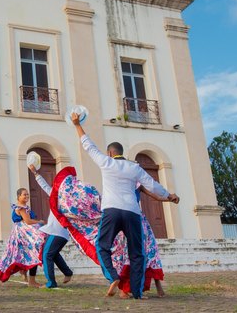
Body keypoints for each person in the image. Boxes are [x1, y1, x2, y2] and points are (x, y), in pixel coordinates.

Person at [71, 112, 179, 299]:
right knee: (137, 253)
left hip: (111, 211)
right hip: (132, 212)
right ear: (121, 152)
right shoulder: (134, 167)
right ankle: (137, 293)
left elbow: (87, 145)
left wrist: (76, 125)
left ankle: (113, 276)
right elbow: (152, 184)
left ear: (110, 153)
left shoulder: (106, 162)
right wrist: (169, 195)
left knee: (102, 246)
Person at [28, 164, 74, 288]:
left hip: (57, 232)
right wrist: (36, 174)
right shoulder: (56, 197)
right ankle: (68, 272)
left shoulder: (69, 202)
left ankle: (51, 283)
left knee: (46, 255)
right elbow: (45, 187)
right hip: (59, 233)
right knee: (53, 254)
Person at [0, 188, 46, 287]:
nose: (27, 196)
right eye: (24, 194)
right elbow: (28, 221)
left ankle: (23, 271)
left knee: (23, 253)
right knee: (34, 250)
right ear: (18, 196)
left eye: (27, 194)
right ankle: (31, 280)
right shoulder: (21, 208)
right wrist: (39, 222)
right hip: (23, 232)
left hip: (21, 232)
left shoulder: (23, 207)